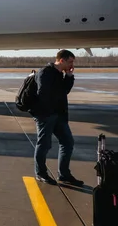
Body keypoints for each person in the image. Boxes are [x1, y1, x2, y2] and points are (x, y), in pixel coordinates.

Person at [31, 49, 83, 186]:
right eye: (70, 61)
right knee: (44, 145)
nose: (72, 64)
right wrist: (51, 110)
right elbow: (43, 94)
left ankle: (64, 174)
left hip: (58, 115)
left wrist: (69, 76)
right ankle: (40, 173)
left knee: (67, 142)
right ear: (62, 60)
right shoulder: (45, 72)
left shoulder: (60, 74)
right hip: (46, 115)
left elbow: (64, 92)